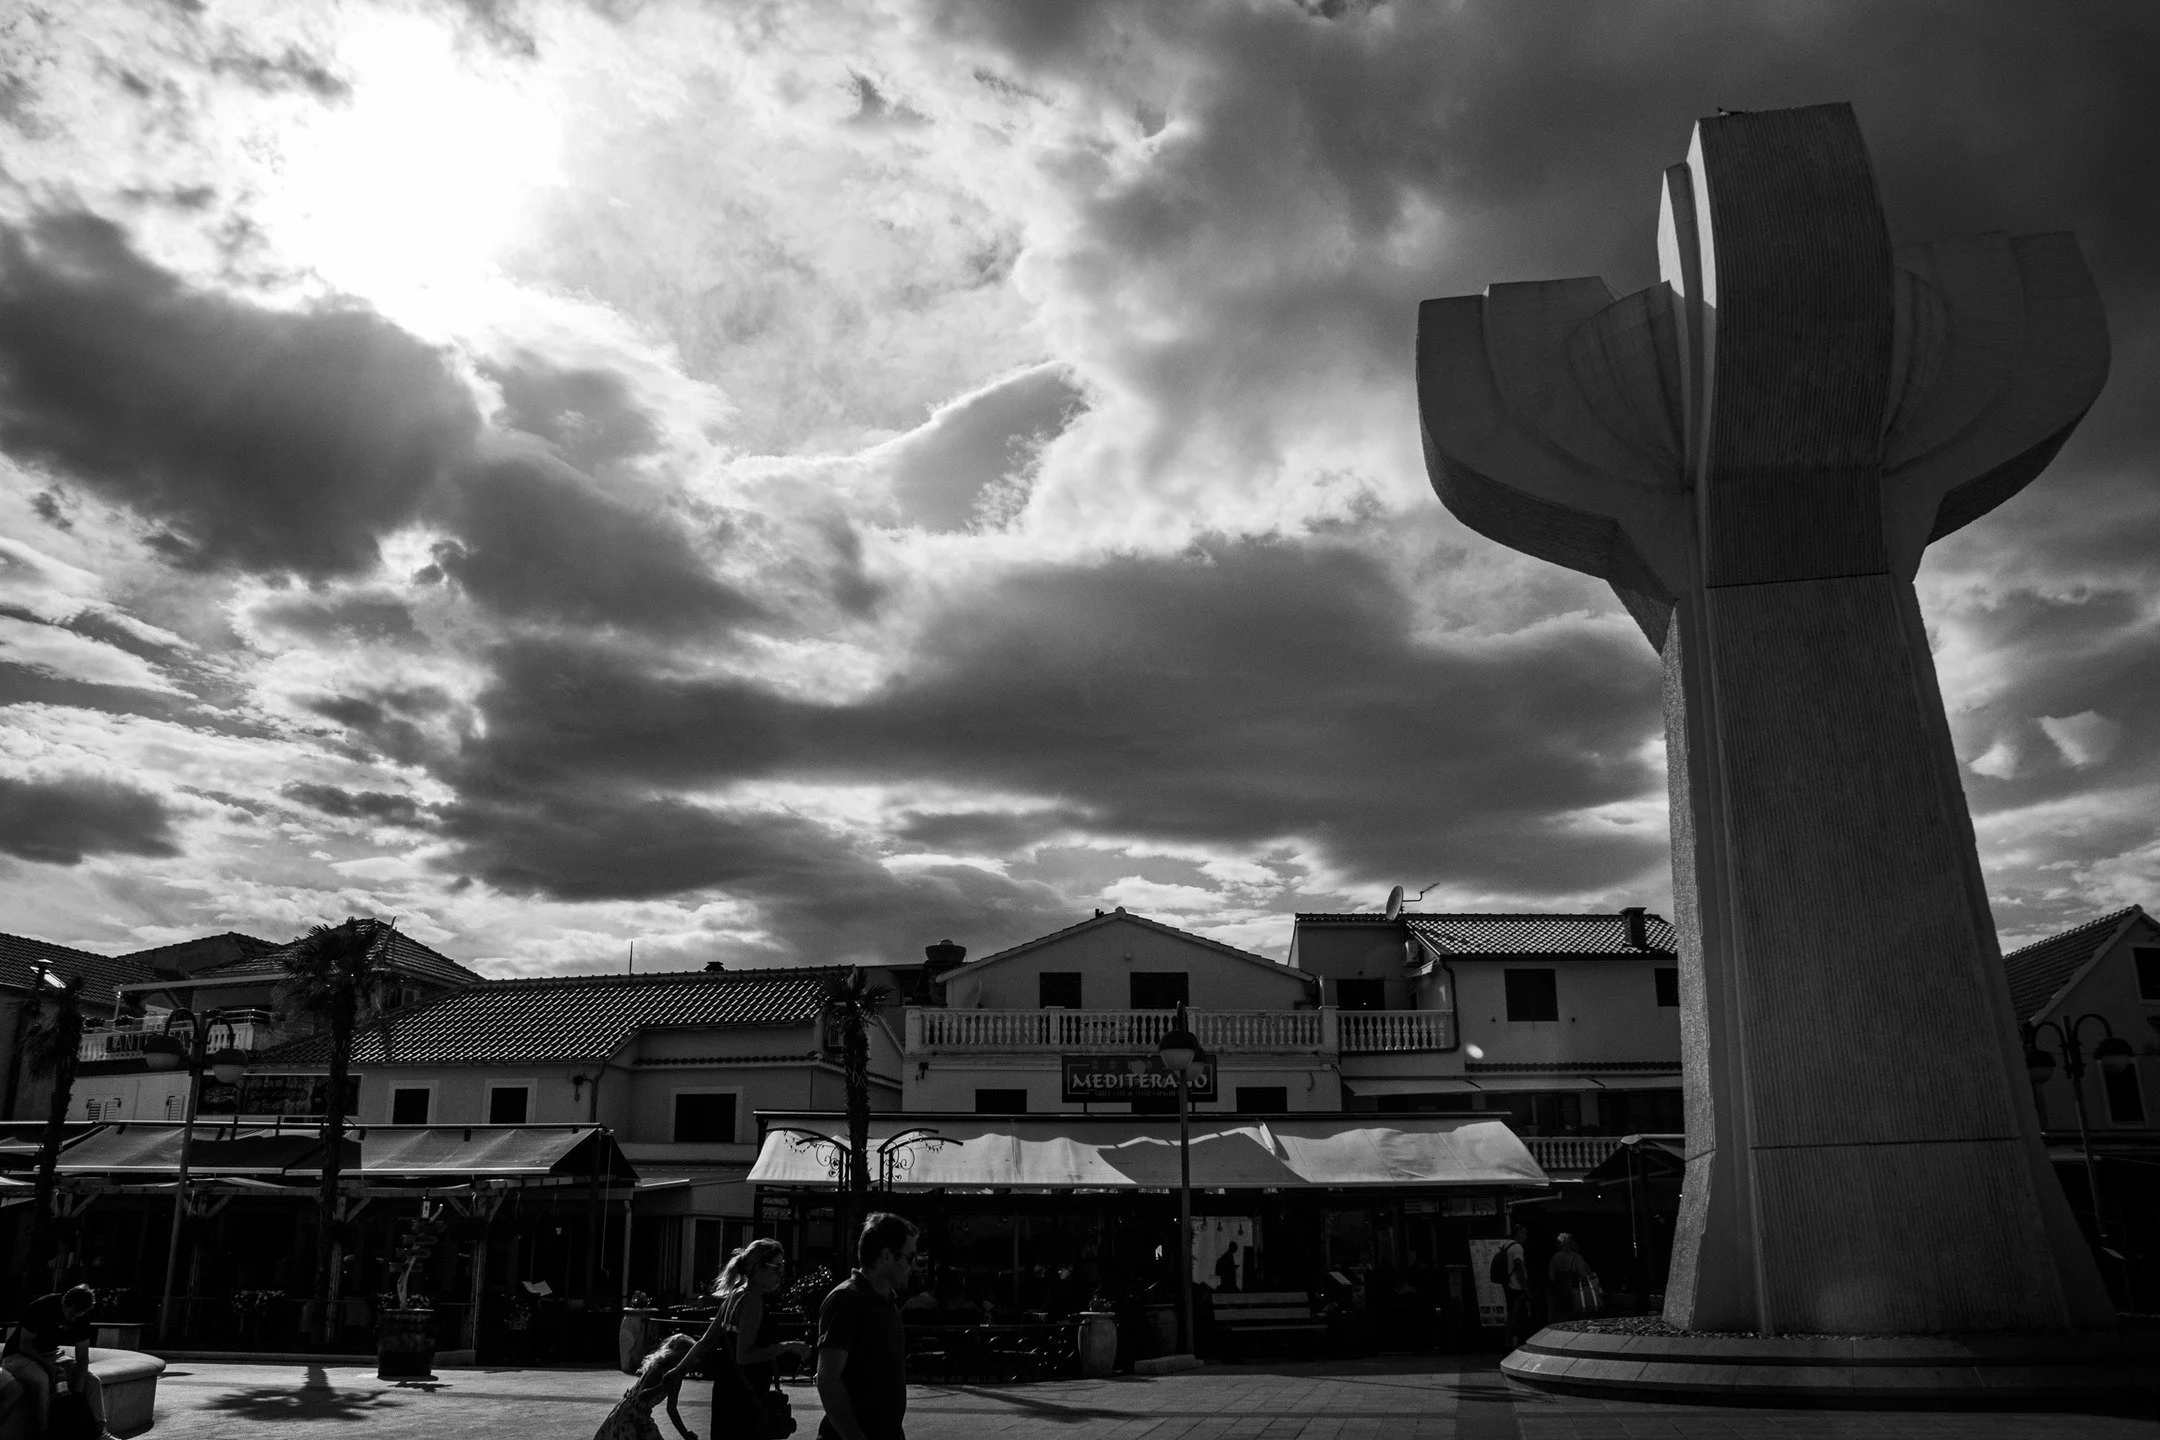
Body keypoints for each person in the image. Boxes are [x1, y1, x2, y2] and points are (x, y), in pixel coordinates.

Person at [674, 1239, 810, 1440]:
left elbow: (706, 1341)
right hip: (746, 1399)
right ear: (759, 1268)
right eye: (777, 1268)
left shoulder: (735, 1295)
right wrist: (787, 1346)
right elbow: (744, 1355)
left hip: (725, 1392)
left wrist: (678, 1371)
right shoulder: (753, 1301)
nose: (781, 1274)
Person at [816, 1213, 917, 1440]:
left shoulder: (887, 1302)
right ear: (887, 1256)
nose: (914, 1266)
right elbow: (828, 1379)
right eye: (910, 1257)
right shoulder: (846, 1299)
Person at [4, 1285, 108, 1440]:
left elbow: (82, 1357)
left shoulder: (81, 1316)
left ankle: (100, 1432)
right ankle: (45, 1433)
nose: (73, 1319)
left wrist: (78, 1391)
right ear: (64, 1303)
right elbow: (24, 1345)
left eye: (77, 1316)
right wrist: (49, 1365)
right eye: (71, 1314)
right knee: (41, 1381)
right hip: (18, 1354)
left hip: (50, 1353)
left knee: (92, 1380)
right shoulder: (40, 1307)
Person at [594, 1333, 699, 1440]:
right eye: (688, 1359)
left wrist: (685, 1433)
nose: (691, 1364)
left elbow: (671, 1408)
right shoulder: (658, 1369)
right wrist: (661, 1387)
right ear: (677, 1356)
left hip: (643, 1417)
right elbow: (642, 1396)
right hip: (628, 1414)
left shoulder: (676, 1377)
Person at [1547, 1233, 1595, 1320]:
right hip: (1576, 1295)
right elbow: (1583, 1275)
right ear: (1569, 1243)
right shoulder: (1576, 1257)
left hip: (1560, 1295)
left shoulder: (1554, 1258)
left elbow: (1551, 1278)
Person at [1501, 1225, 1534, 1346]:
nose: (1525, 1236)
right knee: (1520, 1316)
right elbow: (1519, 1266)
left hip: (1508, 1286)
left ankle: (1509, 1342)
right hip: (1517, 1287)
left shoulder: (1505, 1245)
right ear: (1517, 1233)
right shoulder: (1517, 1247)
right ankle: (1519, 1343)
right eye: (1523, 1233)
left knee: (1511, 1315)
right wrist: (1526, 1287)